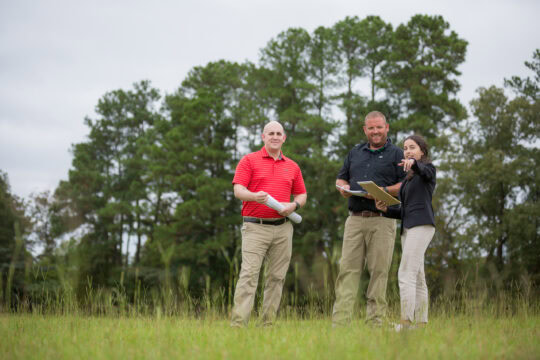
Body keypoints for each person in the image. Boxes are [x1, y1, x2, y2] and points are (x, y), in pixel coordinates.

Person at [230, 120, 307, 327]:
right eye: (270, 133)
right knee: (249, 275)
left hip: (283, 228)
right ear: (263, 137)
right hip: (255, 227)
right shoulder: (249, 161)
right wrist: (255, 196)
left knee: (276, 278)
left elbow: (301, 194)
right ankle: (238, 325)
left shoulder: (292, 166)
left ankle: (267, 325)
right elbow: (238, 190)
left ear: (284, 138)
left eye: (278, 133)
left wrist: (293, 206)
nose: (274, 136)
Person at [332, 111, 406, 326]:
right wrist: (343, 187)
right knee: (347, 271)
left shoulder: (397, 154)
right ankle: (340, 323)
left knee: (379, 272)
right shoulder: (355, 152)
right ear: (365, 130)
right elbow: (341, 176)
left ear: (387, 127)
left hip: (382, 221)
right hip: (354, 220)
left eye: (379, 127)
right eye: (371, 128)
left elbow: (405, 184)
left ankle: (375, 322)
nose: (375, 131)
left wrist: (384, 190)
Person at [375, 134, 436, 330]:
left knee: (405, 273)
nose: (408, 150)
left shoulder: (427, 170)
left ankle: (406, 322)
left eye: (412, 147)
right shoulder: (408, 179)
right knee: (417, 276)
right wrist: (386, 209)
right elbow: (404, 210)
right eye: (405, 148)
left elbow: (424, 170)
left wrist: (414, 164)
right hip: (409, 227)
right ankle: (421, 324)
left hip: (422, 225)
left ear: (422, 151)